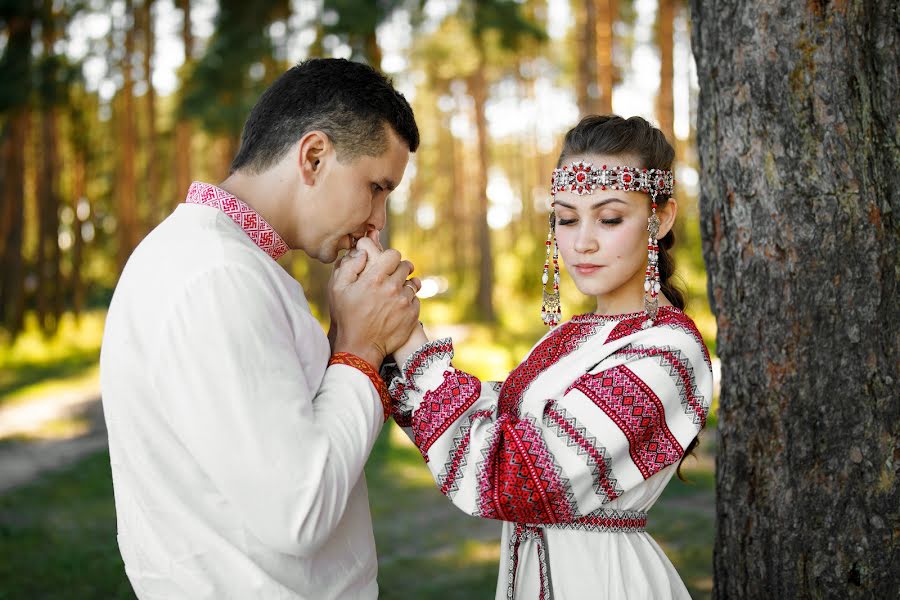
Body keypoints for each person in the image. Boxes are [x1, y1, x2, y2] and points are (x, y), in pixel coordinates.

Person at [100, 58, 422, 599]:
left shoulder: (226, 262)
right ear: (314, 156)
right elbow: (300, 510)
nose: (377, 220)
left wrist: (353, 338)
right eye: (375, 186)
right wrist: (359, 348)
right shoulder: (217, 274)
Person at [383, 115, 713, 599]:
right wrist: (394, 334)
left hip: (602, 583)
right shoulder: (573, 337)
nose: (582, 242)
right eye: (567, 217)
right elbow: (477, 428)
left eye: (610, 218)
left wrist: (408, 341)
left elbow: (512, 474)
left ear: (659, 218)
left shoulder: (669, 351)